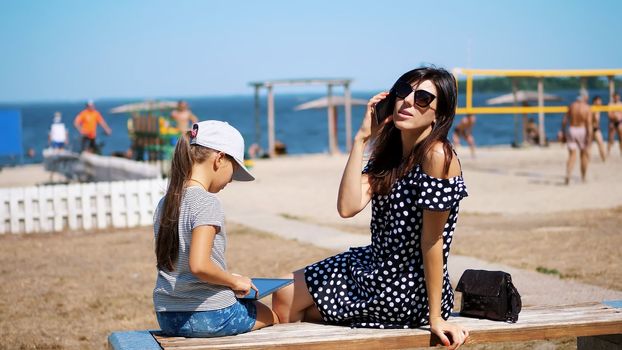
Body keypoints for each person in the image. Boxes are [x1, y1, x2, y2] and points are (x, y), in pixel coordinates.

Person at [272, 67, 469, 349]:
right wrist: (361, 139)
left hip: (405, 288)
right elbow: (347, 206)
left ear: (439, 114)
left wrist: (436, 318)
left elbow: (433, 241)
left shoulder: (437, 156)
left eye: (423, 98)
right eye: (403, 91)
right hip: (373, 265)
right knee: (284, 293)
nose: (409, 101)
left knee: (294, 308)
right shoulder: (391, 156)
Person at [153, 120, 278, 338]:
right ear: (219, 159)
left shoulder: (165, 203)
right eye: (234, 170)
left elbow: (183, 265)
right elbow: (199, 266)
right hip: (211, 314)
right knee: (274, 316)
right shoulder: (206, 202)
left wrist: (226, 276)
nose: (231, 180)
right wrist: (235, 281)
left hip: (167, 316)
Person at [561, 90, 592, 185]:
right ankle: (583, 177)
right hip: (582, 130)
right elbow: (589, 124)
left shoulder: (572, 105)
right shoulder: (587, 107)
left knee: (572, 155)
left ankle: (568, 174)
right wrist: (589, 138)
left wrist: (563, 132)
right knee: (583, 155)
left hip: (571, 129)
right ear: (585, 97)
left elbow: (564, 121)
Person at [590, 96, 607, 162]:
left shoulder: (598, 108)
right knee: (590, 146)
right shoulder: (593, 108)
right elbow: (595, 119)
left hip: (596, 129)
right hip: (592, 129)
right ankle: (603, 160)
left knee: (600, 145)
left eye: (600, 100)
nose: (600, 102)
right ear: (595, 101)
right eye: (599, 101)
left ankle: (604, 160)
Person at [608, 92, 622, 156]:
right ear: (613, 97)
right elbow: (609, 115)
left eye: (617, 96)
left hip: (619, 122)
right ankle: (608, 152)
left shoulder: (620, 104)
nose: (616, 98)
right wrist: (615, 117)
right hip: (613, 122)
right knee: (610, 139)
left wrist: (617, 117)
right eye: (615, 96)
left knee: (621, 138)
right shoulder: (610, 104)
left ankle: (621, 152)